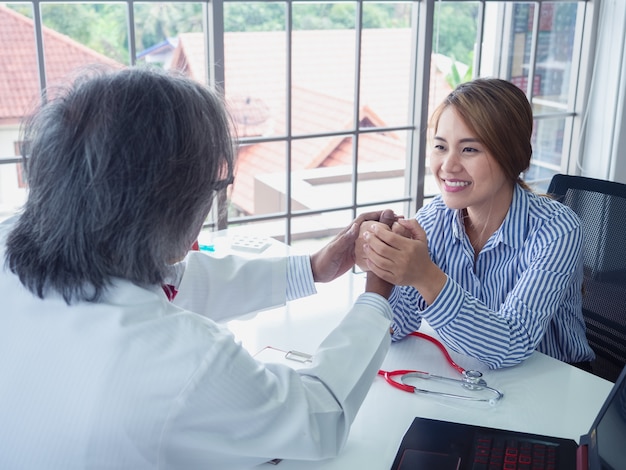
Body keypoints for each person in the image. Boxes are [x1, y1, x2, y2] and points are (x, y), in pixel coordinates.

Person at [0, 66, 394, 469]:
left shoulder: (13, 236)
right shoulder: (187, 363)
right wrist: (376, 299)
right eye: (214, 187)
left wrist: (311, 268)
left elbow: (170, 283)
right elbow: (317, 418)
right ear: (165, 205)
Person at [357, 78, 594, 370]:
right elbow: (398, 327)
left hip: (558, 384)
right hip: (474, 376)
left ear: (513, 156)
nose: (448, 165)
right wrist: (384, 268)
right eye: (441, 146)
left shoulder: (558, 229)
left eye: (469, 149)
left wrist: (425, 275)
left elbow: (513, 343)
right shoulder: (433, 218)